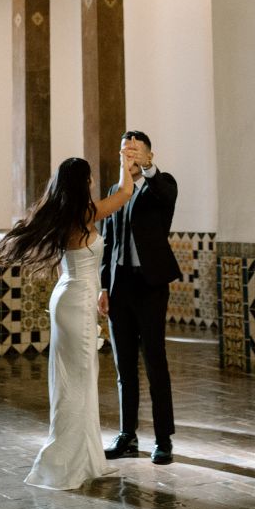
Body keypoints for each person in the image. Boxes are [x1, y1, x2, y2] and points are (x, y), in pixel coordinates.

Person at [0, 149, 135, 490]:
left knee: (77, 380)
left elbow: (70, 264)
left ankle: (86, 461)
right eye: (89, 178)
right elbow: (125, 194)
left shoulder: (63, 214)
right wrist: (123, 163)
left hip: (67, 297)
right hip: (76, 302)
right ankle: (61, 464)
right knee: (79, 382)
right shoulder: (87, 213)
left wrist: (98, 290)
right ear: (84, 182)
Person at [99, 130, 181, 465]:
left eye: (135, 150)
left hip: (150, 285)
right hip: (120, 286)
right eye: (124, 150)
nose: (128, 155)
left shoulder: (162, 185)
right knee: (124, 366)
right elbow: (107, 243)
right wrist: (104, 287)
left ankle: (163, 439)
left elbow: (164, 195)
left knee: (155, 362)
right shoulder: (115, 192)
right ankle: (127, 435)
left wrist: (148, 169)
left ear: (148, 154)